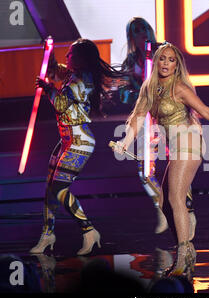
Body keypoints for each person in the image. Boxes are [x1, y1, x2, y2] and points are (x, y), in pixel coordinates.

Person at [114, 42, 209, 279]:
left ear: (177, 64)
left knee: (174, 196)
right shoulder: (149, 87)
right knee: (164, 203)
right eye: (162, 59)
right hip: (174, 146)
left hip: (189, 141)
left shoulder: (179, 88)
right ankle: (186, 247)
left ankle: (182, 255)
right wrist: (125, 142)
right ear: (156, 61)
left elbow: (207, 111)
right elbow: (138, 117)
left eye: (171, 60)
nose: (166, 64)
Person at [31, 39, 122, 256]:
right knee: (50, 188)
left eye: (70, 54)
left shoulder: (80, 81)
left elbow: (61, 105)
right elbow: (55, 69)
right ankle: (47, 234)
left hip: (79, 143)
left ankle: (89, 230)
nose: (67, 57)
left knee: (60, 189)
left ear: (80, 58)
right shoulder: (73, 75)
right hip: (67, 140)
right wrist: (49, 51)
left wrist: (47, 89)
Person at [120, 17, 197, 239]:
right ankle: (163, 208)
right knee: (145, 171)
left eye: (144, 27)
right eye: (136, 30)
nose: (142, 32)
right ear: (131, 36)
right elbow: (127, 95)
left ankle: (187, 209)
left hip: (170, 118)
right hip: (148, 123)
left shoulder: (164, 52)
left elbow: (180, 80)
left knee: (177, 164)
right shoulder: (130, 62)